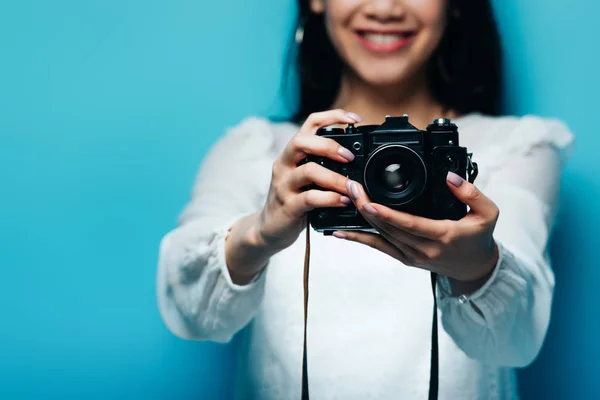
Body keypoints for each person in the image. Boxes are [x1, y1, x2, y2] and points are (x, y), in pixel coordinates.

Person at [156, 0, 574, 398]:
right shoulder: (258, 151)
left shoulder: (518, 148)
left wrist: (478, 267)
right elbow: (191, 308)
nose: (384, 8)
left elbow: (516, 339)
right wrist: (261, 233)